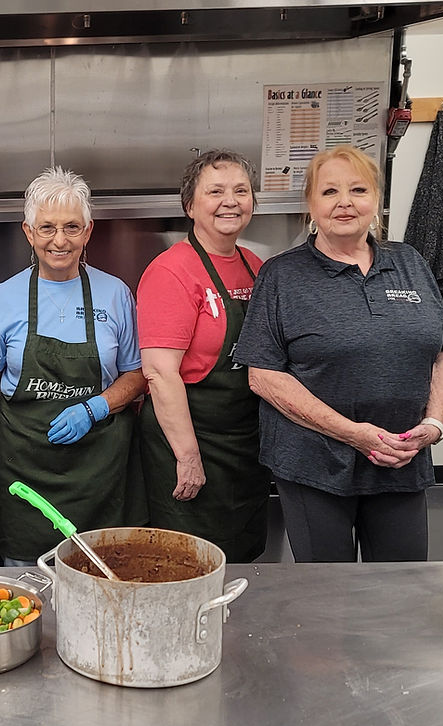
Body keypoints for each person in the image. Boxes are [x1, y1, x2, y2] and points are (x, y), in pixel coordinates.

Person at [234, 145, 443, 562]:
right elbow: (262, 375)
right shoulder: (282, 275)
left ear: (375, 201)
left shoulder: (410, 262)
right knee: (327, 594)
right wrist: (353, 433)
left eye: (357, 190)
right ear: (311, 204)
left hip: (401, 459)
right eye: (329, 191)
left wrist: (433, 424)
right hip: (314, 464)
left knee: (401, 585)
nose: (345, 203)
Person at [0, 167, 145, 565]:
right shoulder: (1, 300)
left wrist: (94, 408)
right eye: (47, 228)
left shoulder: (115, 294)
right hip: (24, 468)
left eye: (72, 227)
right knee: (26, 588)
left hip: (99, 470)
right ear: (28, 232)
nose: (60, 240)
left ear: (88, 231)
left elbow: (138, 375)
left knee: (103, 572)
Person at [136, 150, 271, 563]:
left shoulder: (256, 266)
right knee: (189, 563)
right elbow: (160, 374)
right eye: (215, 191)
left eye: (241, 191)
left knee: (243, 557)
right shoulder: (171, 271)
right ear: (191, 206)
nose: (230, 201)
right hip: (191, 438)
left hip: (244, 443)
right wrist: (188, 457)